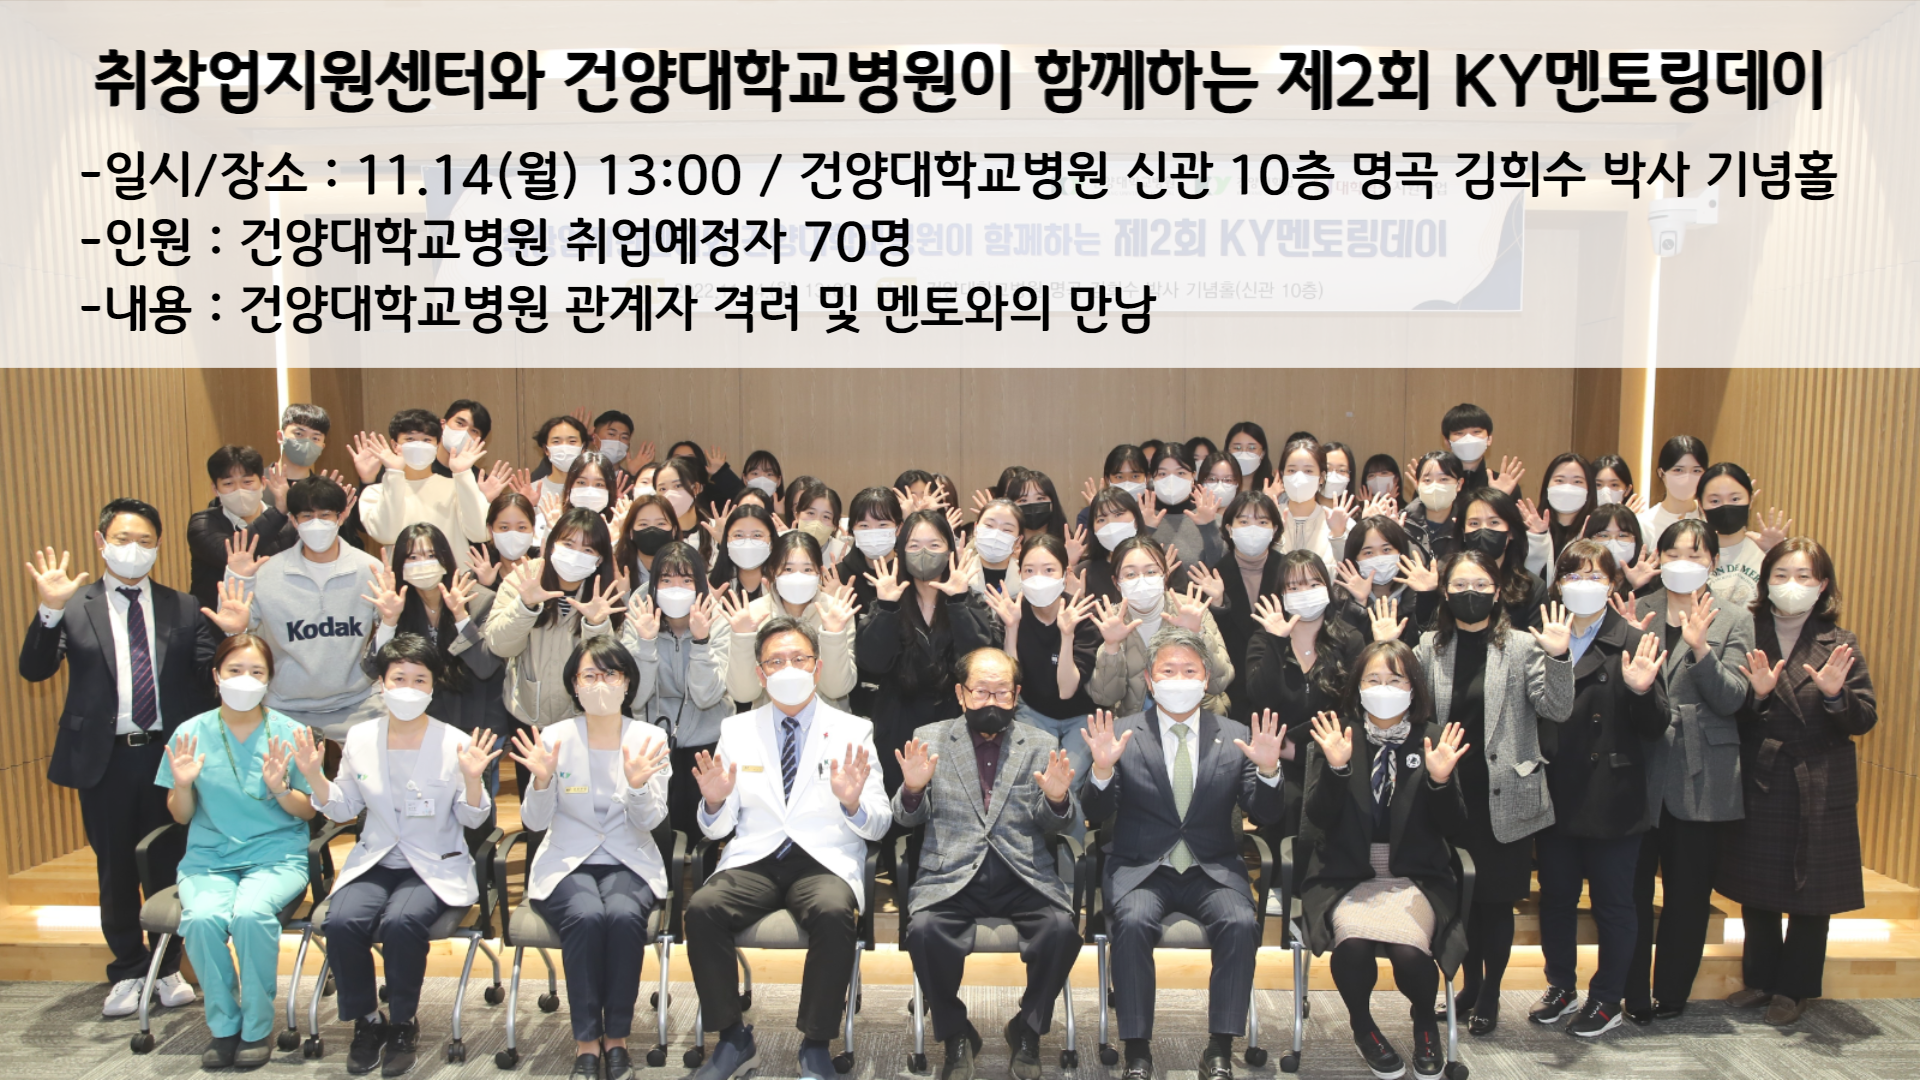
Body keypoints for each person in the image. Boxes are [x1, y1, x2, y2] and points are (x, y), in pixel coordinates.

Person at [20, 498, 221, 1018]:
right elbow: (35, 670)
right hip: (106, 759)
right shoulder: (74, 604)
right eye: (123, 539)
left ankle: (168, 966)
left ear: (159, 546)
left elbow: (211, 678)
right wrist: (49, 611)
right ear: (101, 542)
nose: (134, 549)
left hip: (169, 757)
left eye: (145, 541)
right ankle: (129, 969)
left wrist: (233, 633)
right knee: (115, 868)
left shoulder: (183, 606)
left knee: (170, 862)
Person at [683, 617, 891, 1080]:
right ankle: (733, 1039)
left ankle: (816, 1045)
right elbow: (718, 828)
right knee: (702, 908)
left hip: (823, 860)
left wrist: (853, 802)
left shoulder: (853, 729)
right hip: (755, 858)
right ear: (760, 674)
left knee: (834, 913)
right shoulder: (737, 729)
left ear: (818, 668)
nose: (788, 668)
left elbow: (879, 822)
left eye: (799, 658)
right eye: (776, 661)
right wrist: (714, 802)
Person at [1078, 628, 1286, 1080]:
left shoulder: (1236, 736)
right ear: (1150, 681)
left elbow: (1265, 812)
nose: (1179, 679)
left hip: (1212, 869)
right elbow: (1095, 812)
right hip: (1141, 868)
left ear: (1206, 678)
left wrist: (1269, 770)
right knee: (1132, 922)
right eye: (1167, 670)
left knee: (1240, 923)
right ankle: (1137, 1051)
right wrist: (1101, 769)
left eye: (1189, 670)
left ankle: (1219, 1048)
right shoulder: (1122, 733)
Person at [295, 635, 499, 1077]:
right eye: (399, 678)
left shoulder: (455, 742)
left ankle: (404, 1022)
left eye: (419, 679)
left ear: (433, 686)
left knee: (402, 922)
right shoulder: (361, 737)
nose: (408, 687)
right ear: (382, 685)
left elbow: (473, 817)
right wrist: (314, 777)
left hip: (433, 864)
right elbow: (344, 807)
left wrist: (472, 780)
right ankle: (368, 1021)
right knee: (340, 921)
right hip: (377, 858)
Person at [1403, 549, 1574, 1036]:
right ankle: (1469, 986)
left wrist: (1559, 657)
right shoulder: (1430, 646)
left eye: (1480, 584)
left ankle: (1491, 993)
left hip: (1506, 795)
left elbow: (1557, 709)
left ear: (1498, 592)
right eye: (1459, 585)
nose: (1470, 593)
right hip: (1448, 796)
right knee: (1460, 903)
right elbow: (1411, 709)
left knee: (1495, 904)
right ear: (1444, 592)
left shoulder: (1522, 645)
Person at [894, 648, 1082, 1080]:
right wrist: (913, 789)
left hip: (1022, 873)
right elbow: (905, 819)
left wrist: (1057, 799)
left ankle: (1027, 1029)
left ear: (1016, 695)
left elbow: (1053, 823)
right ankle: (956, 1033)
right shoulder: (930, 738)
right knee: (924, 932)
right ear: (961, 694)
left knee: (1061, 930)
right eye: (981, 692)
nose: (992, 701)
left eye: (1002, 692)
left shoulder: (1039, 742)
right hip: (952, 874)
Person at [1718, 538, 1876, 1026]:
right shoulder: (1747, 630)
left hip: (1819, 775)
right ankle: (1762, 979)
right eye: (1782, 574)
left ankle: (1796, 987)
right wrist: (1758, 698)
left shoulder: (1839, 640)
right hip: (1763, 771)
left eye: (1804, 576)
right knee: (1757, 884)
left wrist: (1835, 697)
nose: (1793, 584)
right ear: (1765, 581)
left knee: (1813, 891)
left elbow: (1865, 718)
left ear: (1822, 584)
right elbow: (1728, 707)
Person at [1298, 642, 1470, 1080]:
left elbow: (1454, 826)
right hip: (1346, 873)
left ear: (1413, 688)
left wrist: (1440, 780)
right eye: (1373, 680)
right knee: (1352, 947)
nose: (1384, 688)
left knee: (1409, 954)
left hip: (1416, 874)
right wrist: (1336, 770)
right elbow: (1318, 819)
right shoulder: (1339, 735)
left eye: (1395, 680)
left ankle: (1424, 1020)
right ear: (1357, 688)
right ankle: (1363, 1026)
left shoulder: (1433, 738)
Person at [1526, 540, 1670, 1039]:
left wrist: (1642, 691)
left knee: (1613, 904)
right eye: (1573, 574)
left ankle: (1608, 997)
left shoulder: (1633, 638)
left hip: (1613, 795)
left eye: (1595, 575)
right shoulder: (1543, 634)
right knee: (1556, 899)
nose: (1583, 584)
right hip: (1555, 791)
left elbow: (1656, 726)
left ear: (1613, 584)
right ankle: (1560, 986)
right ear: (1558, 583)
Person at [511, 636, 672, 1080]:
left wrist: (637, 787)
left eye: (610, 674)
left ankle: (616, 1038)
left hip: (629, 858)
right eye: (590, 675)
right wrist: (541, 782)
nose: (600, 684)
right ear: (574, 684)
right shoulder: (554, 737)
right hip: (568, 859)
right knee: (584, 916)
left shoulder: (650, 738)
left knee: (622, 916)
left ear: (627, 682)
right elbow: (534, 822)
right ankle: (586, 1043)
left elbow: (651, 820)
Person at [157, 633, 315, 1070]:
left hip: (276, 856)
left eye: (256, 671)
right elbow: (181, 816)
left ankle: (257, 1027)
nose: (245, 679)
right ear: (217, 675)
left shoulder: (291, 733)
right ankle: (224, 1026)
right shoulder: (190, 734)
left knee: (250, 915)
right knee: (202, 919)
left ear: (269, 680)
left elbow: (307, 812)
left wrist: (280, 788)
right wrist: (183, 785)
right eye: (235, 670)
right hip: (209, 859)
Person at [1626, 519, 1754, 1023]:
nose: (1684, 563)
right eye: (1673, 553)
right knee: (1631, 890)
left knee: (1689, 893)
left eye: (1696, 554)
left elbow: (1733, 699)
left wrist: (1700, 649)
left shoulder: (1734, 618)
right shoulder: (1639, 609)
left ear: (1714, 563)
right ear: (1658, 559)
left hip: (1702, 770)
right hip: (1640, 766)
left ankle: (1672, 993)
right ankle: (1633, 992)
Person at [214, 476, 387, 739]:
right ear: (294, 521)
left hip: (359, 703)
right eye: (307, 516)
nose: (316, 523)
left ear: (341, 517)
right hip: (284, 707)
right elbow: (236, 630)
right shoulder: (267, 573)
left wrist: (391, 618)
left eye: (325, 515)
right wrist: (237, 584)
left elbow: (390, 633)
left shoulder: (371, 569)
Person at [484, 509, 641, 796]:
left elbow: (611, 668)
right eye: (568, 544)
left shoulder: (606, 591)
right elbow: (500, 645)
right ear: (552, 543)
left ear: (600, 558)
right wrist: (525, 606)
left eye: (588, 549)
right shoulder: (526, 577)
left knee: (579, 798)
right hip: (529, 716)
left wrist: (596, 624)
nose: (576, 554)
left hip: (585, 720)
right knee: (536, 798)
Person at [856, 511, 999, 793]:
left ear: (949, 551)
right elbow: (872, 662)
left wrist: (958, 603)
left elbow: (980, 664)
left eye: (934, 545)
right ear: (900, 552)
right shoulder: (887, 598)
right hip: (899, 722)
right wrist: (886, 608)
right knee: (904, 801)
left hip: (956, 721)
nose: (924, 553)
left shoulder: (969, 599)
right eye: (914, 546)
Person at [1241, 551, 1367, 838]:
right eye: (1294, 587)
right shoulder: (1263, 639)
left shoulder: (1350, 639)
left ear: (1327, 587)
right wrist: (1277, 642)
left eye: (1313, 584)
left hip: (1333, 758)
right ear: (1281, 595)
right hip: (1278, 761)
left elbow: (1356, 711)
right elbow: (1260, 698)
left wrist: (1305, 753)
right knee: (1285, 809)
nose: (1305, 592)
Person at [976, 535, 1098, 803]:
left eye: (1049, 570)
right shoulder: (1013, 609)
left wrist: (1067, 634)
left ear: (1065, 574)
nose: (1038, 578)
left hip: (1080, 715)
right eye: (1029, 570)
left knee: (1066, 783)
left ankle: (1067, 831)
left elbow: (1067, 690)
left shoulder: (1081, 613)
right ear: (1019, 574)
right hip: (1033, 711)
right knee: (1035, 781)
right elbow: (1011, 682)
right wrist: (1011, 628)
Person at [626, 541, 731, 837]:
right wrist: (645, 643)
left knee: (702, 827)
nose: (676, 588)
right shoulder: (638, 617)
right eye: (666, 580)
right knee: (657, 827)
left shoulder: (718, 620)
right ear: (654, 585)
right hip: (654, 738)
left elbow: (706, 696)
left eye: (686, 580)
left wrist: (701, 642)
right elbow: (635, 696)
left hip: (707, 737)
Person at [1088, 536, 1234, 719]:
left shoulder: (1192, 609)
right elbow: (1104, 697)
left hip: (1199, 716)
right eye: (1130, 574)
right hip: (1136, 722)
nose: (1141, 580)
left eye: (1151, 571)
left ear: (1164, 575)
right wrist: (1111, 647)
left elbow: (1220, 683)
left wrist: (1198, 634)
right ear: (1116, 582)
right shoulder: (1109, 620)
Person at [721, 531, 861, 712]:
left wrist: (833, 635)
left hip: (826, 719)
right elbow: (743, 694)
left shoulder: (837, 611)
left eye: (807, 569)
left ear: (819, 572)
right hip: (769, 719)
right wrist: (743, 638)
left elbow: (836, 689)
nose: (798, 576)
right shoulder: (752, 614)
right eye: (788, 569)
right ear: (773, 572)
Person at [354, 408, 492, 548]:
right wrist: (394, 473)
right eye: (410, 439)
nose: (419, 445)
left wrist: (463, 474)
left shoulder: (457, 488)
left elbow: (480, 533)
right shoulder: (376, 492)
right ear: (395, 445)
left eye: (427, 440)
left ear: (437, 444)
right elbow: (386, 535)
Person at [1203, 490, 1286, 719]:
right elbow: (1212, 641)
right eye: (1244, 521)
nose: (1253, 528)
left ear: (1274, 529)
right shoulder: (1214, 575)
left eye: (1262, 522)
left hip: (1281, 684)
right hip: (1233, 691)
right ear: (1229, 529)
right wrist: (1218, 605)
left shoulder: (1290, 572)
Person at [187, 445, 292, 610]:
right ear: (215, 489)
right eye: (228, 483)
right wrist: (278, 513)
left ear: (263, 483)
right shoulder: (202, 523)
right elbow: (231, 553)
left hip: (274, 619)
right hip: (218, 622)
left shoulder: (288, 524)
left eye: (247, 482)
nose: (239, 490)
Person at [1451, 487, 1549, 631]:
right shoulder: (1447, 580)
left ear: (1511, 532)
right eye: (1474, 523)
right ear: (1463, 532)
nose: (1483, 529)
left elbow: (1533, 641)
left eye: (1494, 522)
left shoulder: (1532, 588)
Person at [1698, 462, 1792, 608]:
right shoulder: (1691, 552)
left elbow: (1792, 601)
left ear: (1750, 500)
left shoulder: (1767, 547)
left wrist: (1777, 554)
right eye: (1715, 501)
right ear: (1700, 505)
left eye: (1735, 499)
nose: (1726, 506)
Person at [1143, 443, 1226, 591]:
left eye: (1180, 473)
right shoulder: (1140, 519)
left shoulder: (1212, 519)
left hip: (1200, 602)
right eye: (1162, 474)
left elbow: (1219, 569)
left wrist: (1208, 527)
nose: (1171, 480)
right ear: (1152, 478)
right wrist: (1145, 530)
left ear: (1193, 476)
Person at [1265, 438, 1352, 566]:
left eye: (1308, 471)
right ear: (1282, 475)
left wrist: (1338, 535)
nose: (1299, 477)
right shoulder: (1267, 518)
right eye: (1292, 470)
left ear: (1321, 477)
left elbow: (1349, 566)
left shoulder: (1340, 521)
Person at [1521, 452, 1595, 579]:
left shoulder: (1597, 531)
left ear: (1589, 490)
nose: (1567, 488)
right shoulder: (1530, 529)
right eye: (1559, 480)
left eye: (1577, 481)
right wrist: (1536, 538)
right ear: (1547, 487)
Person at [1080, 489, 1149, 602]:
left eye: (1118, 514)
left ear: (1136, 519)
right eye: (1101, 519)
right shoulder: (1084, 572)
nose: (1110, 525)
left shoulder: (1160, 561)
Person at [1636, 435, 1708, 543]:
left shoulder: (1710, 517)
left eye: (1696, 471)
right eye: (1678, 470)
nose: (1687, 478)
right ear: (1661, 473)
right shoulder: (1645, 524)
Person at [1438, 403, 1520, 496]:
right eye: (1459, 433)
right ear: (1447, 442)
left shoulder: (1505, 484)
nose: (1468, 439)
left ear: (1489, 439)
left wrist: (1499, 497)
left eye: (1476, 432)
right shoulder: (1435, 484)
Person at [707, 502, 779, 603]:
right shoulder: (710, 584)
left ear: (771, 542)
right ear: (727, 541)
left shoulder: (783, 582)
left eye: (757, 535)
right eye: (739, 535)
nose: (747, 543)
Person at [1402, 451, 1465, 561]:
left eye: (1444, 479)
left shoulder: (1466, 527)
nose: (1435, 486)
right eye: (1427, 480)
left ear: (1459, 484)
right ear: (1417, 484)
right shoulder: (1401, 523)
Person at [529, 415, 593, 502]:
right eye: (556, 441)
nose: (564, 447)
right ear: (546, 449)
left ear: (583, 448)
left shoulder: (595, 489)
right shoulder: (532, 491)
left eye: (572, 441)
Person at [1224, 423, 1273, 495]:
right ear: (1228, 451)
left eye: (1252, 448)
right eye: (1237, 448)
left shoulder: (1273, 488)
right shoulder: (1218, 486)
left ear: (1263, 453)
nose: (1244, 453)